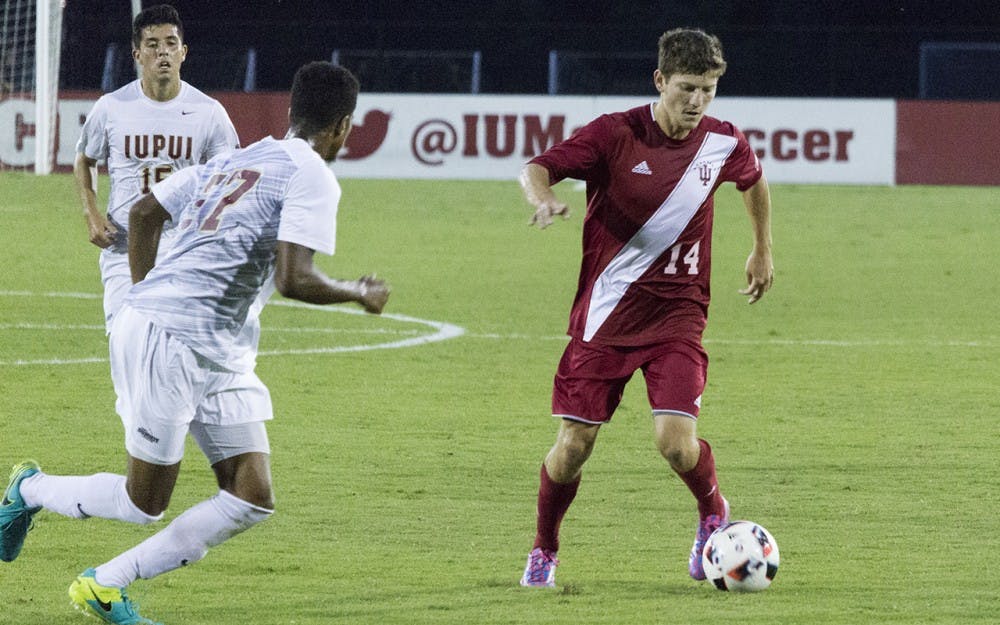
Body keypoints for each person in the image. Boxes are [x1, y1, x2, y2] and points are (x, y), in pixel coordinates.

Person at [0, 61, 389, 625]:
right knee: (144, 503)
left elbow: (144, 210)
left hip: (218, 346)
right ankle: (30, 489)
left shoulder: (242, 156)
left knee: (251, 496)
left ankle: (104, 586)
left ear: (291, 111)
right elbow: (293, 277)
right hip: (173, 341)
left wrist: (142, 293)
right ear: (344, 126)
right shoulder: (314, 176)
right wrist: (359, 291)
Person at [518, 28, 773, 588]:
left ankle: (712, 515)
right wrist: (543, 199)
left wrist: (761, 247)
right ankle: (544, 548)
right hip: (605, 319)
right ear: (659, 80)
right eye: (686, 88)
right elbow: (537, 167)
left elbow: (753, 182)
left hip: (678, 319)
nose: (697, 100)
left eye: (708, 89)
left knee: (674, 442)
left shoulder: (722, 142)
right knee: (572, 449)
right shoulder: (614, 135)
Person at [75, 4, 240, 333]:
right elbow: (85, 159)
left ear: (183, 52)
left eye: (170, 43)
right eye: (152, 44)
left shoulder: (209, 112)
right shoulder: (111, 108)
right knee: (128, 338)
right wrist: (91, 212)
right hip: (124, 245)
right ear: (137, 54)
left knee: (175, 346)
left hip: (183, 246)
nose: (162, 52)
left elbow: (230, 177)